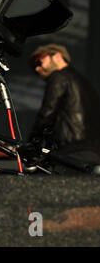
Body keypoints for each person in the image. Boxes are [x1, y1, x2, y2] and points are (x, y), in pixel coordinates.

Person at [28, 43, 100, 171]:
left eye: (39, 62)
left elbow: (47, 113)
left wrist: (31, 143)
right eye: (34, 68)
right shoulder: (86, 84)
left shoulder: (58, 77)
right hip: (93, 154)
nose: (37, 69)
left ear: (57, 57)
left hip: (71, 153)